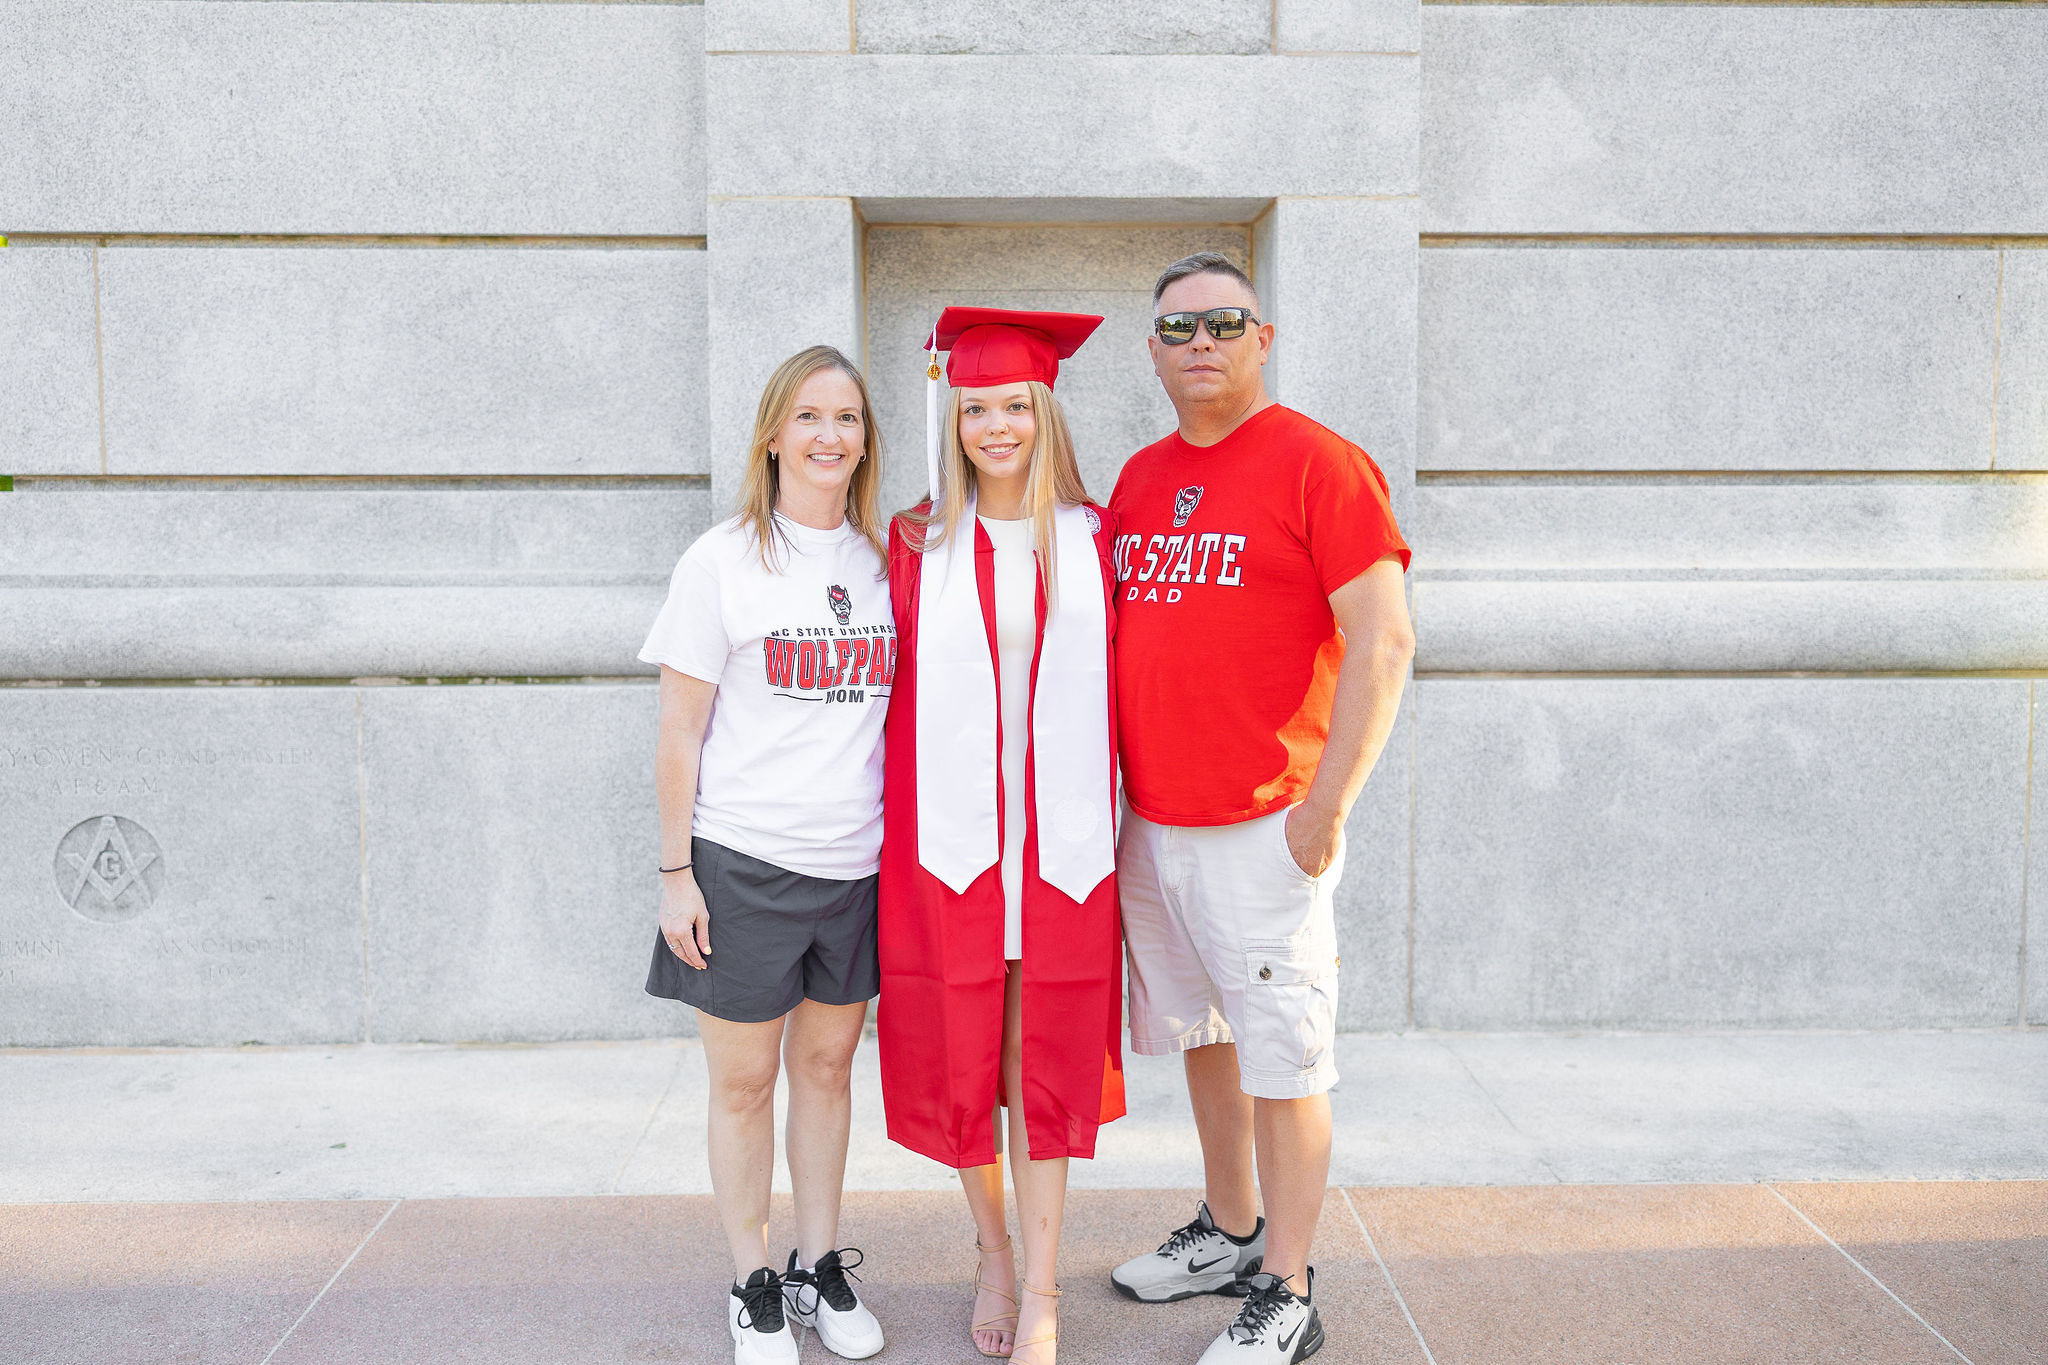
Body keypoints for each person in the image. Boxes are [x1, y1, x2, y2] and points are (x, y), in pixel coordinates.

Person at [1107, 254, 1414, 1365]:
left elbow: (1384, 640)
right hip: (1154, 823)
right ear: (1151, 352)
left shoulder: (1317, 465)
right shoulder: (1140, 479)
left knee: (1284, 1059)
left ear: (1262, 337)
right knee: (1203, 1031)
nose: (1200, 343)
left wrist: (1326, 806)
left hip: (1264, 820)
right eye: (1177, 328)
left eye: (1222, 323)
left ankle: (1287, 1284)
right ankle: (1232, 1228)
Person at [878, 307, 1126, 1365]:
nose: (993, 425)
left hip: (1061, 845)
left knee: (1040, 1060)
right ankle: (988, 1247)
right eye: (974, 407)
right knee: (963, 1060)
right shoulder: (908, 542)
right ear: (953, 416)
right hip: (947, 846)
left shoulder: (1098, 536)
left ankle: (1040, 1287)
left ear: (1045, 413)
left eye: (1013, 406)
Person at [639, 345, 894, 1365]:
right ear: (773, 435)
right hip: (742, 864)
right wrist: (673, 875)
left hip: (855, 868)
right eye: (810, 417)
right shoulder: (722, 560)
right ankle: (751, 1286)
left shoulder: (882, 564)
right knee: (744, 1086)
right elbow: (676, 731)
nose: (830, 436)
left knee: (827, 1071)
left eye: (848, 419)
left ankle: (815, 1265)